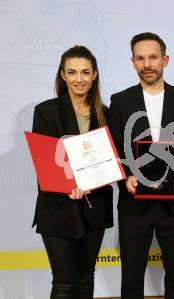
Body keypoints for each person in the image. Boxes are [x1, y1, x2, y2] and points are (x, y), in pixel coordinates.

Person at [108, 32, 174, 299]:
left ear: (165, 60)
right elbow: (114, 149)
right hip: (134, 203)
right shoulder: (120, 101)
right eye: (140, 58)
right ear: (133, 62)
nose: (147, 64)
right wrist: (125, 178)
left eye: (153, 57)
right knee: (132, 275)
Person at [31, 45, 113, 299]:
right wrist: (69, 185)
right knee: (65, 283)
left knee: (86, 279)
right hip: (57, 209)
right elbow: (45, 163)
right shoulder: (46, 111)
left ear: (94, 75)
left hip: (94, 207)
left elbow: (110, 162)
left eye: (85, 72)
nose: (79, 79)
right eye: (72, 72)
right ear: (63, 75)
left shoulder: (106, 113)